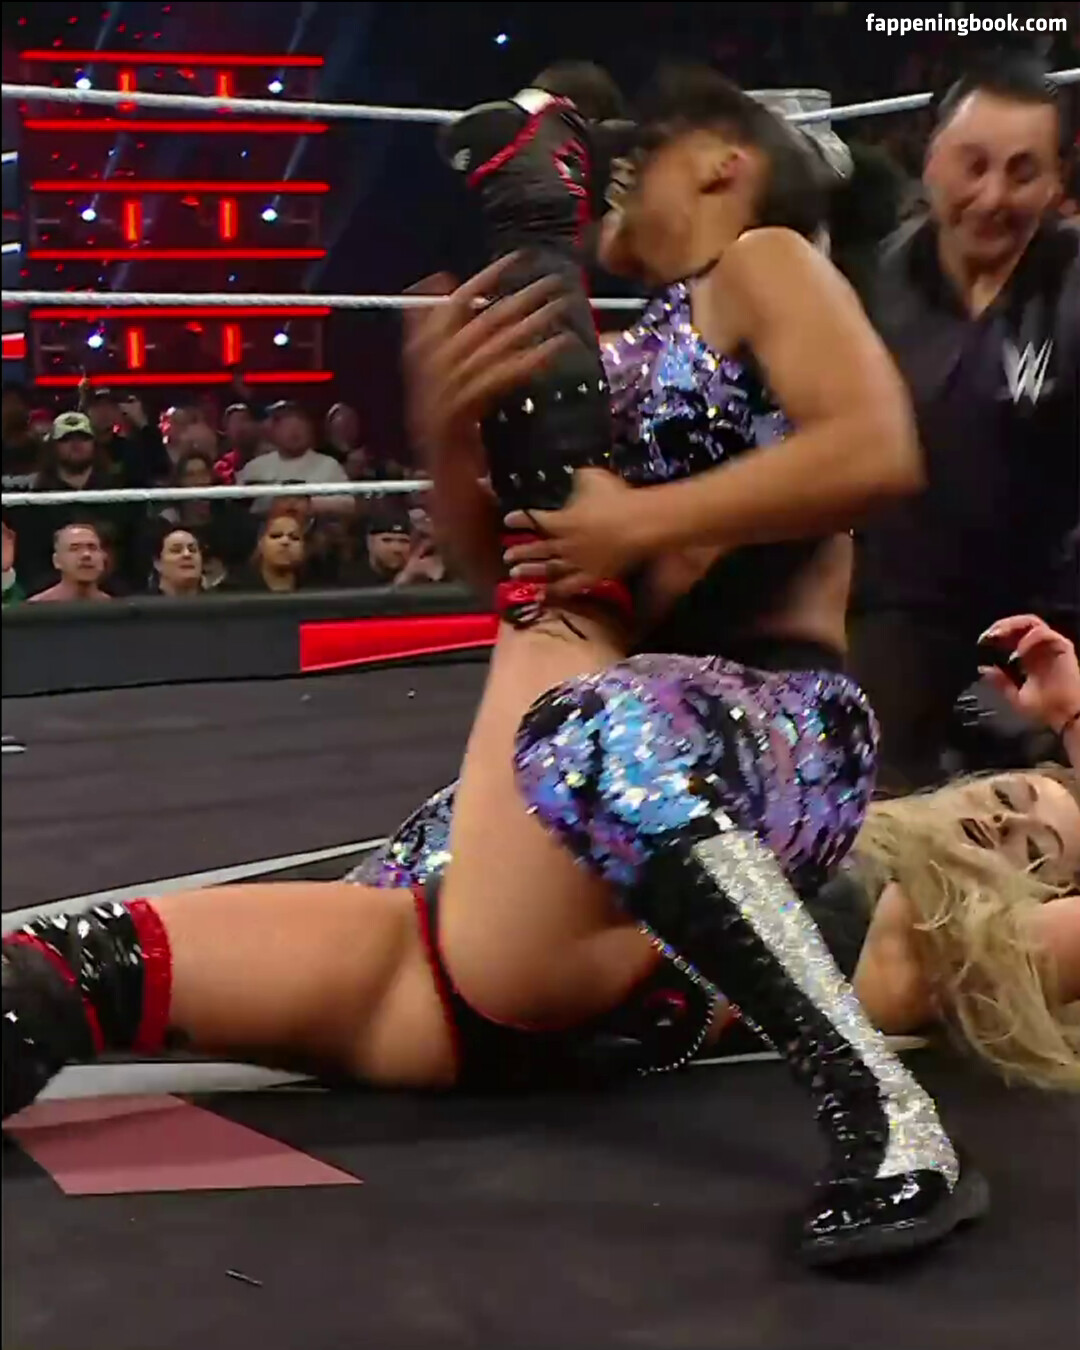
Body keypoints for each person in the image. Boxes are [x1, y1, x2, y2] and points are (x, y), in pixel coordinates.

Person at [4, 66, 972, 1268]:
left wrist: (633, 522)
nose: (629, 177)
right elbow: (515, 571)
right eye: (599, 167)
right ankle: (528, 219)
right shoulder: (620, 357)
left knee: (592, 730)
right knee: (63, 974)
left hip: (759, 743)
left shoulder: (764, 265)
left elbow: (876, 449)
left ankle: (887, 1116)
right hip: (526, 915)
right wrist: (451, 430)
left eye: (638, 158)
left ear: (724, 159)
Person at [850, 56, 1080, 791]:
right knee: (869, 818)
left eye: (1023, 172)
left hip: (1049, 627)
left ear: (1058, 181)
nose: (992, 197)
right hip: (895, 616)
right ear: (930, 159)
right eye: (972, 165)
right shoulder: (868, 285)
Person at [26, 521, 111, 603]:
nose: (86, 554)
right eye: (74, 548)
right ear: (57, 561)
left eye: (92, 547)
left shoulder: (113, 606)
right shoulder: (36, 607)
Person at [149, 527, 204, 598]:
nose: (187, 554)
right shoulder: (140, 603)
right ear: (157, 562)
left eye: (192, 550)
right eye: (176, 550)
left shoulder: (217, 601)